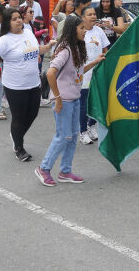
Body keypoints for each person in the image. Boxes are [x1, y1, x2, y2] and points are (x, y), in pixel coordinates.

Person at [0, 8, 57, 161]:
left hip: (33, 83)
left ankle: (16, 135)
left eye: (19, 17)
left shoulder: (27, 32)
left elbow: (36, 49)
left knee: (32, 114)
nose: (19, 20)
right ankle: (19, 147)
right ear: (8, 22)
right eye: (14, 19)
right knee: (18, 118)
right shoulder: (4, 40)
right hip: (15, 86)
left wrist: (48, 47)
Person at [35, 15, 104, 187]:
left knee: (72, 137)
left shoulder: (77, 48)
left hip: (74, 99)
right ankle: (44, 168)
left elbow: (78, 72)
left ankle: (65, 172)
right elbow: (50, 73)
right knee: (63, 136)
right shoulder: (65, 49)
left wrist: (95, 62)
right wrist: (57, 98)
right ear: (73, 30)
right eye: (81, 28)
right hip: (63, 100)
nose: (84, 30)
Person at [78, 5, 109, 144]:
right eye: (89, 14)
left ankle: (92, 126)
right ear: (83, 17)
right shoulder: (79, 32)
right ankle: (83, 131)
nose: (93, 16)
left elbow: (105, 49)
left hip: (98, 71)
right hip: (84, 72)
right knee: (84, 103)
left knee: (98, 100)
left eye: (94, 14)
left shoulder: (99, 31)